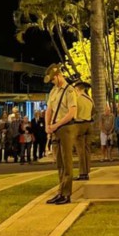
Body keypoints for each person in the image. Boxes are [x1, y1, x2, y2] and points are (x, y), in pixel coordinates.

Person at [45, 63, 77, 205]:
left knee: (67, 161)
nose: (52, 82)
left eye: (53, 79)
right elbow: (49, 110)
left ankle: (66, 194)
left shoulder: (69, 91)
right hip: (55, 128)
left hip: (65, 128)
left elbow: (72, 113)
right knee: (59, 162)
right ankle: (60, 191)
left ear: (58, 76)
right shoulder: (54, 91)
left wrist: (56, 125)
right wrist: (48, 126)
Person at [73, 80, 95, 181]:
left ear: (77, 89)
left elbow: (73, 113)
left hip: (79, 124)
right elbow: (94, 112)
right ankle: (87, 171)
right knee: (87, 149)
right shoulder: (90, 99)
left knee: (80, 150)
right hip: (88, 124)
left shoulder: (77, 99)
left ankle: (82, 173)